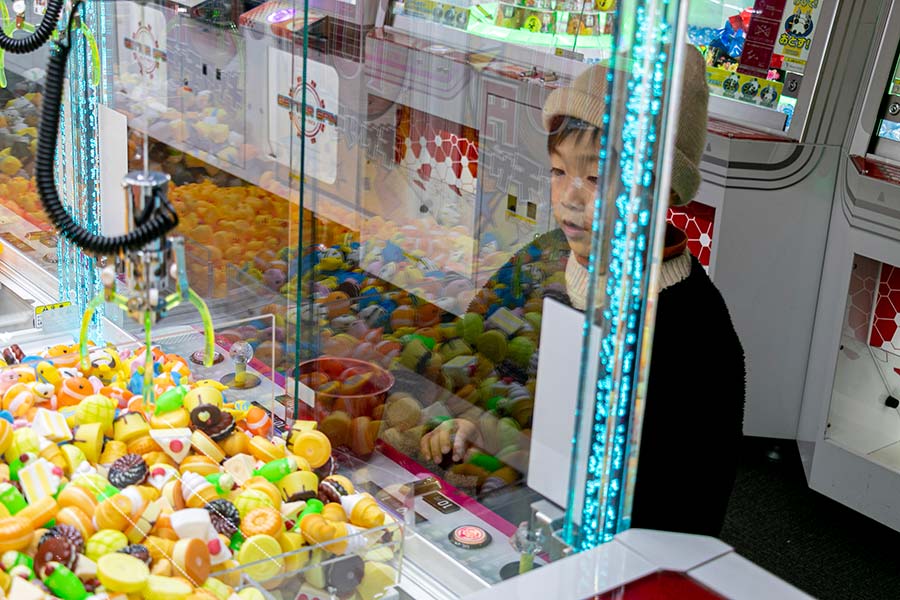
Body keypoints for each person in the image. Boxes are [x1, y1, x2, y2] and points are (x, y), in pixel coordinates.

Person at [417, 46, 746, 537]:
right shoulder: (544, 256)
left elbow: (677, 505)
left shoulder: (692, 330)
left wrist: (511, 450)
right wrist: (468, 424)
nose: (569, 196)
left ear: (664, 191)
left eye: (594, 177)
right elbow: (485, 363)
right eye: (558, 170)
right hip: (508, 515)